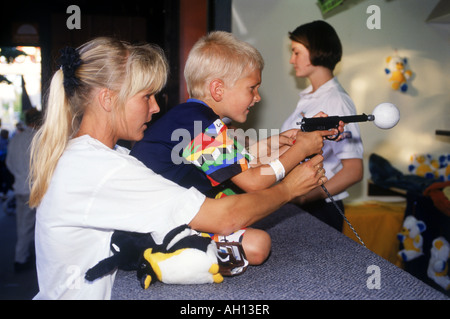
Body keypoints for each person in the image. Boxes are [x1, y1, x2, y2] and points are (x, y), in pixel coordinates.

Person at [29, 37, 327, 300]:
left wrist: (274, 147)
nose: (156, 107)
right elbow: (226, 216)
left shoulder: (99, 158)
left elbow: (231, 162)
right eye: (146, 96)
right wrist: (289, 187)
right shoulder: (103, 169)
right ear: (108, 99)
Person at [130, 31, 338, 270]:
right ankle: (171, 258)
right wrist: (300, 150)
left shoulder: (192, 117)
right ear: (218, 89)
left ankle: (180, 256)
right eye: (252, 88)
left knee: (255, 238)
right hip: (153, 227)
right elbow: (252, 181)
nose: (257, 97)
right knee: (258, 246)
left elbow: (240, 163)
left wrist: (283, 142)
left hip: (167, 216)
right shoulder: (197, 123)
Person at [281, 20, 364, 231]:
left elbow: (354, 170)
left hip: (320, 208)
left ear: (316, 50)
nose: (292, 60)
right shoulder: (311, 98)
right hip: (300, 201)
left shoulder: (337, 100)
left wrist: (305, 197)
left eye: (296, 52)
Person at [6, 108, 42, 272]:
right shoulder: (38, 139)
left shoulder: (16, 138)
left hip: (20, 187)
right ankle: (23, 259)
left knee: (23, 225)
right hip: (35, 189)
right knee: (36, 226)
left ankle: (22, 257)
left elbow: (9, 163)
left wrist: (19, 176)